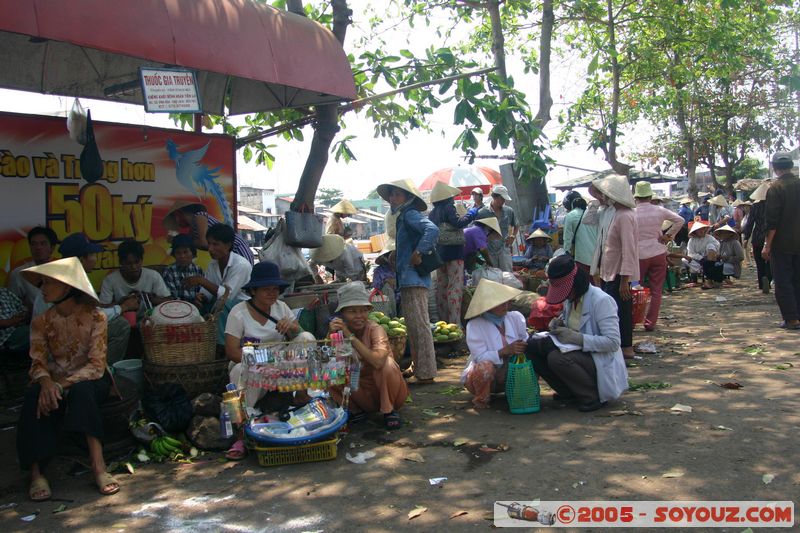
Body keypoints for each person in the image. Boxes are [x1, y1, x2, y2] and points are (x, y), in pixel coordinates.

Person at [17, 257, 119, 500]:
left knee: (83, 392)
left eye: (49, 282)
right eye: (42, 282)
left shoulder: (96, 317)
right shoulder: (42, 321)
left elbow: (96, 366)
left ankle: (99, 467)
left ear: (66, 286)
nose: (43, 287)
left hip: (92, 380)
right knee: (34, 397)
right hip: (53, 381)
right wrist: (45, 383)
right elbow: (37, 362)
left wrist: (60, 385)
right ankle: (36, 474)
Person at [223, 261, 316, 460]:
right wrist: (262, 363)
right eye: (266, 289)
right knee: (238, 370)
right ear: (254, 290)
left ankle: (301, 394)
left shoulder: (281, 307)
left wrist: (291, 327)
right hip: (252, 367)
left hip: (281, 367)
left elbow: (299, 336)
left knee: (307, 338)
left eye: (275, 289)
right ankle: (241, 432)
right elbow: (231, 351)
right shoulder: (238, 313)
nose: (272, 293)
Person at [525, 255, 628, 412]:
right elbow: (572, 322)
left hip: (599, 360)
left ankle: (591, 396)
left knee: (556, 358)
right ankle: (568, 392)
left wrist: (578, 338)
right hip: (577, 353)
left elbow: (613, 342)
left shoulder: (601, 301)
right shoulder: (571, 299)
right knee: (531, 348)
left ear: (576, 283)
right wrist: (558, 323)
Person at [377, 179, 439, 383]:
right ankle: (419, 366)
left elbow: (432, 230)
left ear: (408, 197)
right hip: (409, 277)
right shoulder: (404, 216)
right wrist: (399, 254)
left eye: (397, 194)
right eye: (391, 194)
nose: (393, 198)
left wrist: (419, 252)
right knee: (414, 325)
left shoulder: (410, 214)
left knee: (419, 325)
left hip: (413, 278)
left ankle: (426, 372)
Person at [328, 282, 408, 428]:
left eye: (363, 311)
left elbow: (377, 362)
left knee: (387, 365)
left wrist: (350, 336)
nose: (359, 316)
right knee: (330, 371)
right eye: (352, 311)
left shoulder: (375, 329)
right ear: (343, 314)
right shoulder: (338, 332)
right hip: (360, 391)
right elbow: (330, 358)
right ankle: (355, 410)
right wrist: (331, 335)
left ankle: (389, 411)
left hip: (386, 389)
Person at [59, 233, 135, 365]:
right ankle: (103, 372)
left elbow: (91, 309)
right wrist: (124, 307)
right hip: (63, 340)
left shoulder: (66, 274)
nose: (95, 258)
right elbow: (94, 317)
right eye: (92, 255)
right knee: (121, 326)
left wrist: (116, 304)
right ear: (81, 259)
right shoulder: (72, 282)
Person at [589, 174, 639, 360]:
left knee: (621, 311)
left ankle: (626, 346)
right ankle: (620, 345)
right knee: (614, 310)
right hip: (610, 272)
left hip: (619, 273)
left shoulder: (624, 216)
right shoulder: (613, 213)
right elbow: (590, 220)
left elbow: (629, 249)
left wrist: (625, 279)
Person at [460, 279, 527, 409]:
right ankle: (482, 398)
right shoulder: (475, 325)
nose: (505, 305)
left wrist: (522, 346)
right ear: (488, 305)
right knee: (485, 367)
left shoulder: (515, 317)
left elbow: (525, 338)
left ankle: (516, 393)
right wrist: (503, 352)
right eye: (500, 303)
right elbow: (479, 357)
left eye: (506, 301)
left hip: (510, 370)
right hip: (483, 377)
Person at [185, 224, 253, 344]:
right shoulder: (213, 264)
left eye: (215, 244)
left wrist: (202, 281)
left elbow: (227, 296)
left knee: (223, 305)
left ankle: (221, 346)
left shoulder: (241, 265)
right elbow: (207, 292)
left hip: (242, 307)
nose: (210, 249)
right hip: (222, 305)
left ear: (228, 245)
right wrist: (201, 297)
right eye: (209, 244)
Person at [633, 181, 685, 331]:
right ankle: (650, 322)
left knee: (636, 288)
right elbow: (679, 220)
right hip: (658, 252)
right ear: (650, 196)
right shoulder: (659, 210)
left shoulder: (632, 212)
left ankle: (633, 320)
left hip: (639, 254)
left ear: (636, 197)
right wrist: (668, 236)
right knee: (656, 290)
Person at [428, 181, 478, 325]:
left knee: (442, 289)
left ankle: (444, 323)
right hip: (454, 252)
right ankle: (455, 324)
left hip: (440, 254)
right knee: (455, 288)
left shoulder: (432, 213)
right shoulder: (449, 208)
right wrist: (471, 214)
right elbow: (458, 223)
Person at [763, 152, 800, 330]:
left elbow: (772, 222)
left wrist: (767, 245)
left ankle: (792, 319)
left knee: (783, 281)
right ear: (791, 167)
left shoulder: (776, 188)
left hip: (782, 244)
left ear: (776, 169)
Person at [99, 239, 172, 321]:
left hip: (148, 320)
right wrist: (121, 303)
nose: (134, 267)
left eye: (137, 262)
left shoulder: (153, 275)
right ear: (121, 262)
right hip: (122, 321)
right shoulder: (110, 280)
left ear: (142, 260)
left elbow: (168, 301)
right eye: (128, 263)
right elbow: (102, 309)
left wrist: (150, 299)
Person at [162, 200, 254, 265]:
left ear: (179, 214)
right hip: (227, 256)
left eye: (175, 218)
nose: (176, 222)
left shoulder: (199, 216)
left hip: (238, 250)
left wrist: (178, 239)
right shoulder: (193, 228)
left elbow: (203, 243)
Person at [8, 226, 58, 310]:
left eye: (43, 243)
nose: (38, 248)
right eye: (34, 244)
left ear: (52, 248)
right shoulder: (19, 273)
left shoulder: (63, 271)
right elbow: (11, 307)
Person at [477, 185, 518, 272]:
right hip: (489, 249)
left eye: (504, 199)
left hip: (504, 247)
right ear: (494, 197)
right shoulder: (482, 213)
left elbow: (516, 225)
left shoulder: (509, 211)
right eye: (502, 198)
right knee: (493, 275)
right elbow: (477, 231)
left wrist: (513, 236)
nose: (503, 201)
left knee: (507, 274)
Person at [743, 182, 772, 293]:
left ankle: (761, 283)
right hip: (771, 237)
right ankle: (768, 280)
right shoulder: (774, 205)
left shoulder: (755, 207)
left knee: (759, 262)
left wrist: (746, 237)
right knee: (770, 262)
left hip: (757, 237)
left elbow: (749, 223)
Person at [161, 234, 205, 303]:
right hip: (175, 310)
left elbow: (203, 293)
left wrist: (199, 298)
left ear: (192, 253)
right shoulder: (169, 271)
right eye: (178, 253)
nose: (182, 256)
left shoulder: (198, 270)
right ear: (174, 255)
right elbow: (171, 298)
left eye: (185, 252)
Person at [562, 194, 598, 274]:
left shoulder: (570, 215)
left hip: (581, 254)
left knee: (584, 278)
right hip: (595, 252)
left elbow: (567, 237)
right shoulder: (592, 215)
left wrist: (566, 252)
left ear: (572, 206)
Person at [683, 222, 722, 290]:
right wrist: (700, 258)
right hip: (698, 262)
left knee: (710, 246)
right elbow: (691, 253)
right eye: (700, 230)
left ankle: (708, 277)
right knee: (684, 259)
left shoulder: (710, 238)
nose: (702, 231)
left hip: (710, 259)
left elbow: (716, 247)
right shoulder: (691, 241)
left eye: (703, 229)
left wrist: (707, 256)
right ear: (695, 231)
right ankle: (703, 270)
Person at [371, 242, 397, 318]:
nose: (394, 259)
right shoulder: (379, 270)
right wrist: (386, 281)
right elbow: (376, 287)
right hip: (386, 300)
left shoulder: (403, 270)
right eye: (392, 257)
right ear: (386, 257)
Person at [0, 288, 28, 353]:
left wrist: (22, 316)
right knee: (38, 332)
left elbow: (23, 309)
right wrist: (11, 321)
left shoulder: (4, 291)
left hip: (19, 325)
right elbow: (6, 323)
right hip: (6, 336)